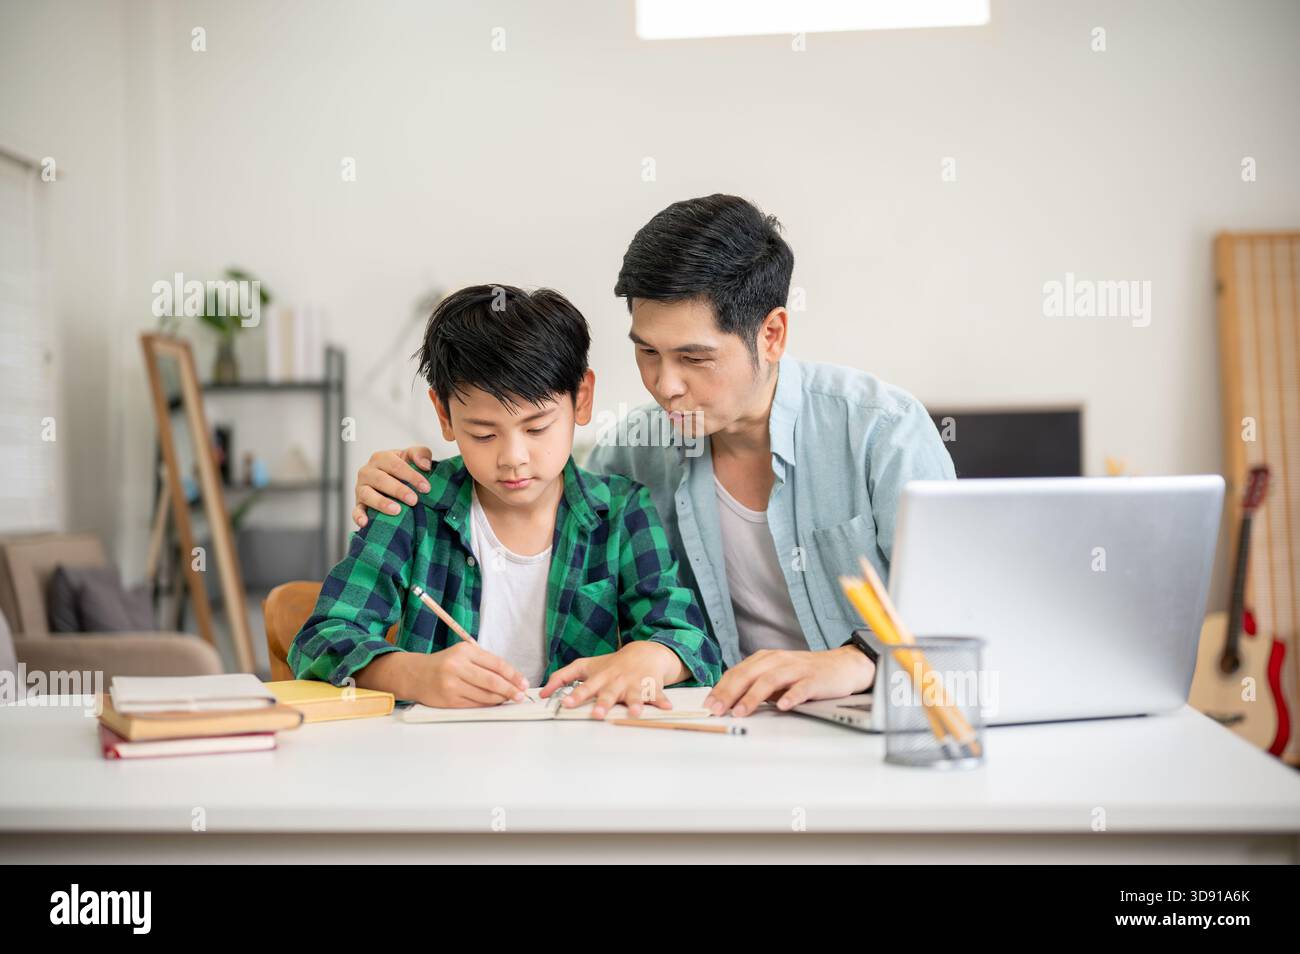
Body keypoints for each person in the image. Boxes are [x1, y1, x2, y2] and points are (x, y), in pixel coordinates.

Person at [352, 195, 954, 718]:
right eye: (647, 353)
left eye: (693, 358)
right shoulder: (632, 456)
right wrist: (398, 476)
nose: (664, 386)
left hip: (874, 720)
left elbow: (967, 612)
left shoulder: (881, 432)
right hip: (712, 728)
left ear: (771, 334)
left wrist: (858, 661)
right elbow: (531, 468)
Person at [292, 284, 721, 719]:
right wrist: (414, 674)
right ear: (444, 414)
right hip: (439, 763)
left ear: (582, 399)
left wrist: (650, 657)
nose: (513, 458)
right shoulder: (412, 504)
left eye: (537, 429)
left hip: (582, 763)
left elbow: (690, 641)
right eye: (483, 433)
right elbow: (320, 640)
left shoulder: (623, 512)